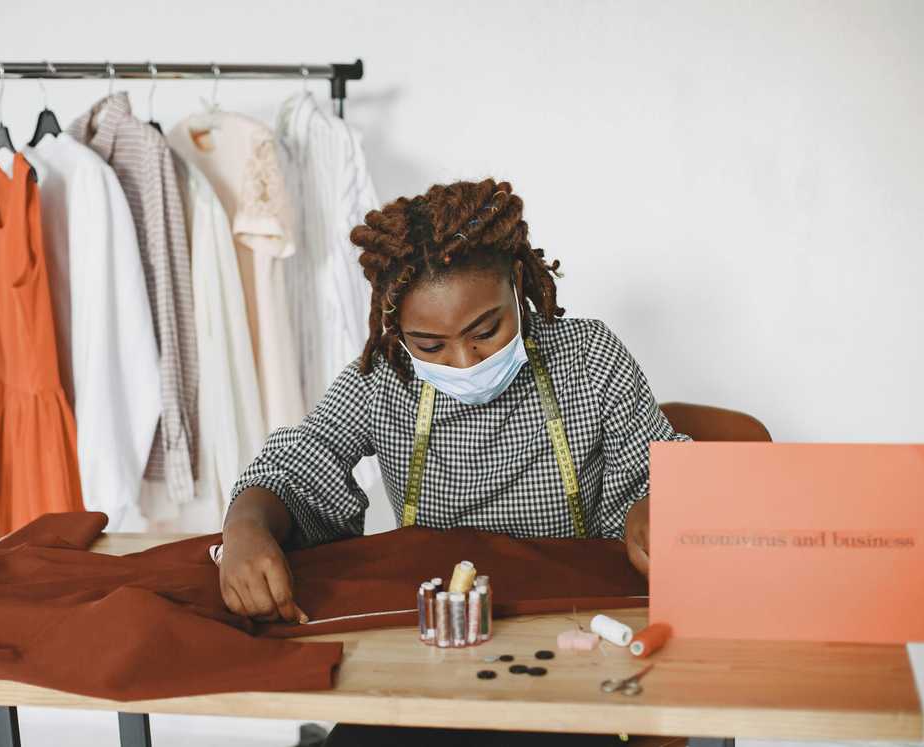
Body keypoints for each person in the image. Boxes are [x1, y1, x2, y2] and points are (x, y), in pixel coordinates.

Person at [218, 178, 692, 745]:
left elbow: (660, 474)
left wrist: (658, 507)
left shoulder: (589, 358)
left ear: (517, 283)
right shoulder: (383, 381)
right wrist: (246, 526)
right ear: (397, 330)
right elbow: (299, 462)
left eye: (485, 330)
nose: (465, 362)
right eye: (430, 345)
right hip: (437, 647)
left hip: (575, 637)